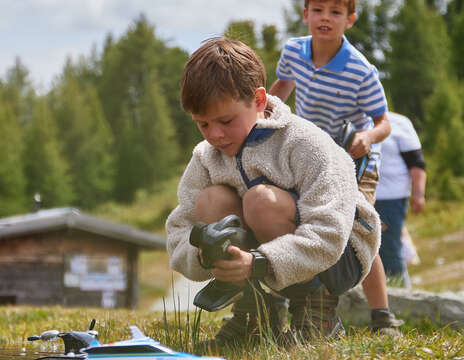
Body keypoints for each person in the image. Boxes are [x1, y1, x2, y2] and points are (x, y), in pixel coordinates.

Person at [166, 37, 380, 349]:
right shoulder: (205, 157)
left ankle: (316, 311)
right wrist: (204, 254)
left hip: (341, 253)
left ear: (259, 100)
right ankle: (254, 315)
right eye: (203, 124)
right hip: (269, 255)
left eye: (226, 121)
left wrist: (257, 263)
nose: (214, 135)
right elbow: (178, 230)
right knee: (210, 202)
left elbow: (330, 233)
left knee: (260, 202)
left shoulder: (307, 144)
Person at [268, 0, 403, 335]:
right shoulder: (294, 51)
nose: (325, 18)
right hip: (309, 158)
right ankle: (287, 305)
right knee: (298, 223)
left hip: (356, 160)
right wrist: (263, 118)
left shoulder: (361, 70)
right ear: (305, 15)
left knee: (359, 234)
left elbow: (384, 122)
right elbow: (281, 89)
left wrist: (367, 136)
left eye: (335, 12)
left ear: (350, 20)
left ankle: (382, 316)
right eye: (318, 10)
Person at [374, 112, 426, 289]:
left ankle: (401, 297)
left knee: (388, 249)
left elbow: (417, 163)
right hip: (359, 196)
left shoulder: (399, 122)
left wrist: (418, 195)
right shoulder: (352, 119)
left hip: (390, 198)